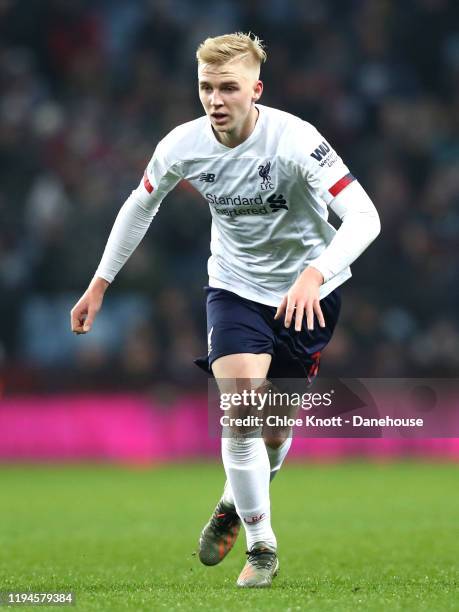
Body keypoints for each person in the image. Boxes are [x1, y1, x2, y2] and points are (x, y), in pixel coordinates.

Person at [70, 32, 380, 588]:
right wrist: (99, 283)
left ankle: (232, 504)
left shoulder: (296, 140)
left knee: (274, 435)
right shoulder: (182, 145)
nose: (215, 100)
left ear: (255, 91)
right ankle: (262, 548)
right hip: (234, 288)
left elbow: (365, 216)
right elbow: (139, 205)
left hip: (308, 292)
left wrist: (314, 274)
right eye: (206, 88)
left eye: (228, 88)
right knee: (241, 413)